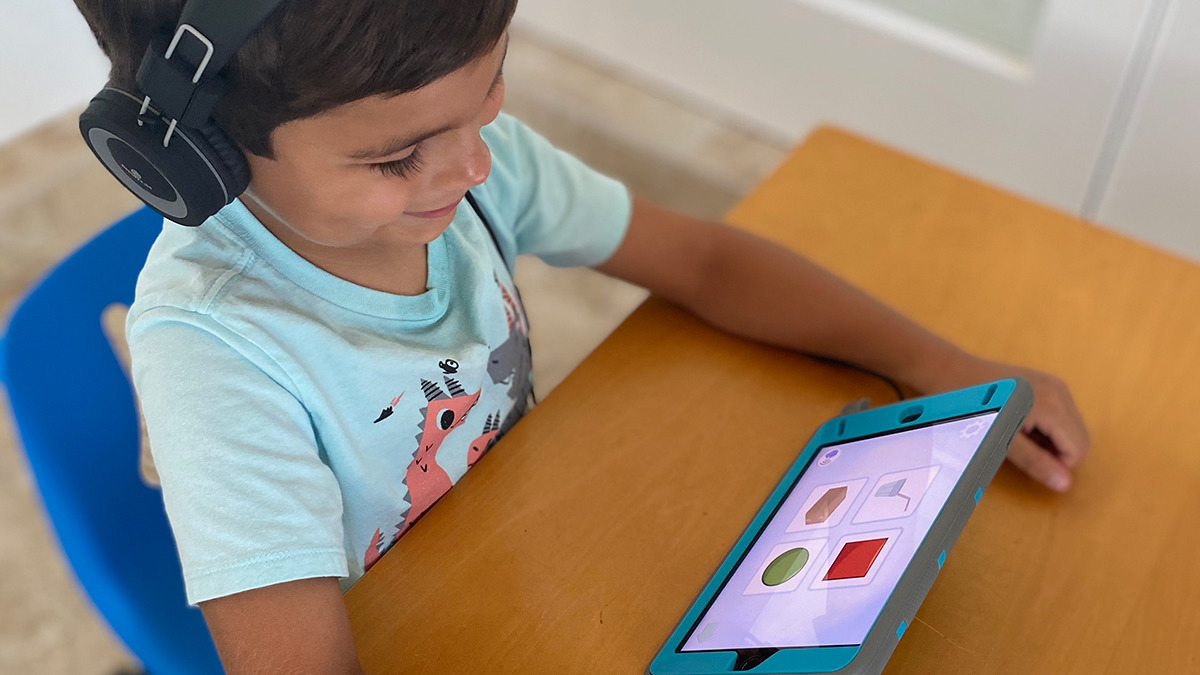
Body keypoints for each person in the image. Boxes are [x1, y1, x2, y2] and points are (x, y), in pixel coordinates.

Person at [73, 1, 1091, 672]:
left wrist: (943, 364)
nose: (472, 166)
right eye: (397, 159)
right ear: (190, 157)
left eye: (492, 90)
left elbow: (706, 263)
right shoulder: (216, 347)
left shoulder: (475, 164)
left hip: (536, 543)